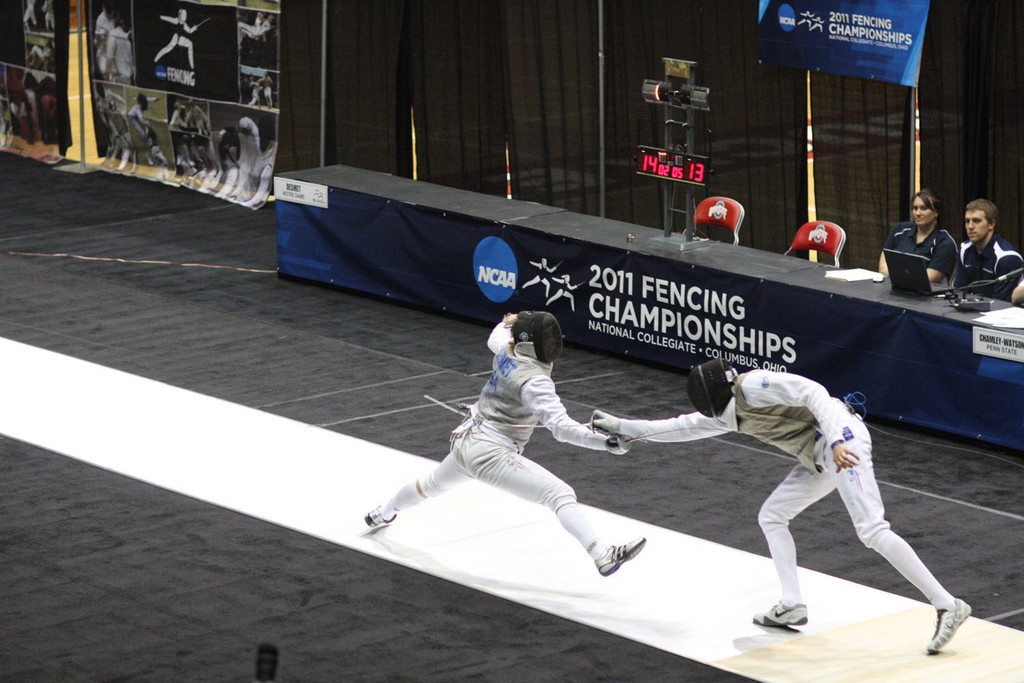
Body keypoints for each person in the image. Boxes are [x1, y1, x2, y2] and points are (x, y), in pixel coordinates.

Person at [590, 359, 971, 653]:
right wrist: (622, 427)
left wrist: (837, 440)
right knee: (772, 516)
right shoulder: (728, 414)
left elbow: (814, 393)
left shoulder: (752, 386)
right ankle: (791, 604)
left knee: (872, 530)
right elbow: (675, 428)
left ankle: (946, 605)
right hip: (819, 455)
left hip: (843, 441)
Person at [364, 311, 646, 577]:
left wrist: (513, 320)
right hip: (490, 452)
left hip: (466, 441)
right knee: (559, 493)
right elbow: (562, 429)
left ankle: (383, 513)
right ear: (530, 345)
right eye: (546, 339)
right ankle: (602, 554)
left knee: (430, 485)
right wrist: (605, 443)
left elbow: (496, 334)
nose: (552, 344)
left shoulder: (505, 350)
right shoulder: (534, 382)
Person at [878, 189, 957, 285]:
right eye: (915, 208)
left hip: (926, 294)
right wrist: (906, 275)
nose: (918, 213)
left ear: (936, 212)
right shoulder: (899, 230)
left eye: (923, 208)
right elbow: (882, 267)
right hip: (893, 288)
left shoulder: (945, 243)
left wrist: (897, 272)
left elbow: (928, 279)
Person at [953, 199, 1023, 302]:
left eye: (976, 221)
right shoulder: (964, 249)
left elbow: (999, 303)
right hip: (972, 307)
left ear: (991, 224)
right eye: (967, 221)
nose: (970, 226)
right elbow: (959, 292)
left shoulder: (1007, 257)